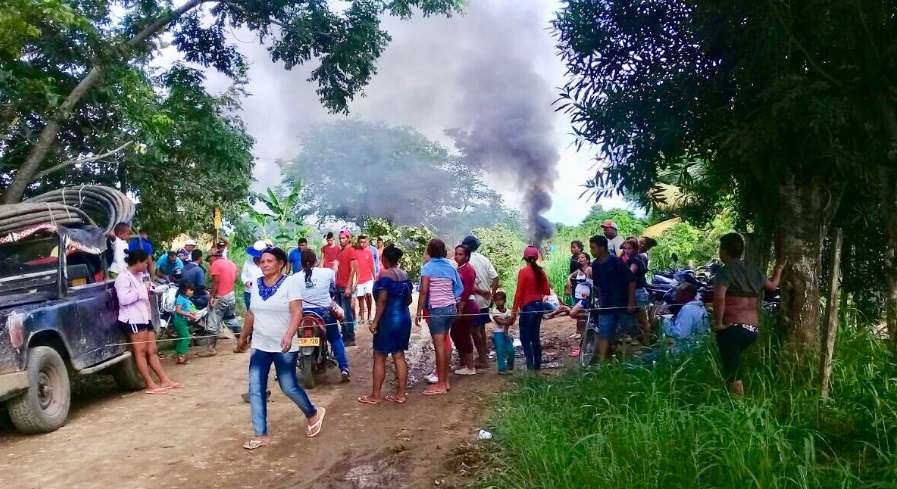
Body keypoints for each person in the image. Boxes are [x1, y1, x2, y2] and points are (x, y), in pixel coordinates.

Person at [235, 247, 326, 449]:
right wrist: (243, 337)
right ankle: (261, 435)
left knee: (288, 386)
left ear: (280, 264)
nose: (265, 264)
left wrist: (288, 335)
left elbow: (297, 312)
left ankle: (313, 413)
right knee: (256, 388)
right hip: (260, 345)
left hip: (284, 345)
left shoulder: (290, 283)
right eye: (262, 261)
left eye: (269, 261)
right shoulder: (257, 285)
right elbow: (251, 313)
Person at [713, 232, 785, 396]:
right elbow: (773, 286)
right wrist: (779, 268)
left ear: (724, 251)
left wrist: (718, 323)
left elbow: (719, 297)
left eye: (720, 248)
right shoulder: (753, 270)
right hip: (752, 329)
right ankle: (732, 402)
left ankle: (738, 411)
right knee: (733, 366)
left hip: (732, 328)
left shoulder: (725, 271)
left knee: (734, 375)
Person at [114, 249, 180, 394]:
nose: (147, 266)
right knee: (141, 351)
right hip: (133, 318)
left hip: (145, 316)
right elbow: (124, 299)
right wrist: (142, 290)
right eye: (145, 263)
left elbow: (147, 289)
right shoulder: (123, 278)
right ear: (137, 262)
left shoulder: (141, 275)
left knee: (152, 350)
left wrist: (152, 290)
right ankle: (149, 383)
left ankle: (164, 379)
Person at [358, 246, 413, 405]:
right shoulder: (404, 274)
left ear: (385, 259)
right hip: (404, 317)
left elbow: (382, 301)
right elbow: (409, 300)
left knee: (379, 356)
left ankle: (375, 396)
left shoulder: (384, 275)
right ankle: (401, 394)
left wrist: (375, 322)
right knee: (399, 355)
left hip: (389, 319)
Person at [416, 239, 462, 396]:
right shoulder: (451, 266)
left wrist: (418, 311)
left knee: (439, 347)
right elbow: (459, 288)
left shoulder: (427, 268)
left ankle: (441, 384)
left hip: (437, 310)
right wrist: (451, 299)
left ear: (429, 251)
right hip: (451, 309)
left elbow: (423, 291)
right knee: (445, 342)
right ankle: (445, 380)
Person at [298, 249, 350, 381]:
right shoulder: (327, 272)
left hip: (303, 314)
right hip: (324, 313)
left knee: (293, 341)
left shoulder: (294, 278)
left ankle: (281, 371)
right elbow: (334, 283)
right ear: (316, 261)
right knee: (335, 339)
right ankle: (344, 369)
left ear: (301, 263)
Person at [589, 235, 636, 362]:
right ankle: (602, 363)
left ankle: (630, 361)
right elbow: (597, 286)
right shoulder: (595, 265)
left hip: (622, 304)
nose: (591, 251)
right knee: (604, 334)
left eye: (593, 248)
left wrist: (631, 302)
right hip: (606, 306)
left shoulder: (615, 261)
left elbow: (631, 280)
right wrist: (595, 302)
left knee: (628, 334)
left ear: (602, 248)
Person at [461, 235, 499, 370]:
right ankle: (483, 354)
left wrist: (479, 291)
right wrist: (492, 294)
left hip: (473, 300)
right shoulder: (484, 259)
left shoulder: (467, 261)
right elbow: (495, 278)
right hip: (484, 300)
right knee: (481, 328)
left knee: (474, 330)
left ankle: (482, 358)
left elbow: (467, 284)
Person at [511, 246, 551, 371]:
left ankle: (530, 366)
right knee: (535, 337)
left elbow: (519, 293)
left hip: (528, 308)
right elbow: (547, 291)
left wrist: (513, 312)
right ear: (537, 257)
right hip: (539, 306)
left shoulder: (523, 272)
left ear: (525, 258)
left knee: (525, 338)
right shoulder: (541, 272)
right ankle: (537, 366)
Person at [206, 251, 240, 354]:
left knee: (213, 320)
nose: (209, 262)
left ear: (214, 257)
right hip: (231, 294)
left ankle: (211, 348)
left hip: (220, 295)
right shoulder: (231, 263)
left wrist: (212, 296)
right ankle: (242, 342)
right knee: (231, 319)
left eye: (209, 259)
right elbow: (236, 279)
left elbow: (216, 281)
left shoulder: (216, 264)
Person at [452, 244, 478, 375]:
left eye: (460, 254)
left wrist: (460, 309)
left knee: (463, 335)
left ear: (467, 256)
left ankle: (470, 366)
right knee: (456, 334)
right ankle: (464, 363)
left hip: (467, 306)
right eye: (456, 253)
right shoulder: (460, 268)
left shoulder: (467, 269)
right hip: (462, 305)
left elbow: (466, 291)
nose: (457, 256)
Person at [622, 237, 652, 343]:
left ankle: (648, 341)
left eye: (629, 248)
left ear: (635, 249)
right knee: (640, 319)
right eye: (625, 249)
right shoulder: (635, 259)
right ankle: (644, 340)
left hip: (638, 292)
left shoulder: (635, 260)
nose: (627, 251)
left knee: (643, 319)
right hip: (637, 291)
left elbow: (630, 274)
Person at [334, 230, 358, 346]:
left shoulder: (351, 251)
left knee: (347, 312)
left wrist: (349, 286)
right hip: (338, 286)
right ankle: (344, 335)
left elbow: (353, 270)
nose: (341, 240)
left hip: (345, 287)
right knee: (340, 313)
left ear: (348, 239)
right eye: (340, 238)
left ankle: (350, 337)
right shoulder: (340, 251)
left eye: (343, 238)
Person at [173, 283, 199, 365]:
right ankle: (182, 356)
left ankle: (179, 356)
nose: (192, 292)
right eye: (190, 290)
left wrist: (191, 313)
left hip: (183, 321)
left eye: (193, 290)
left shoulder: (186, 299)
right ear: (184, 290)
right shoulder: (180, 298)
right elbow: (178, 310)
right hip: (179, 321)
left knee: (181, 338)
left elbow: (186, 309)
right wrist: (189, 315)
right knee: (186, 337)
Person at [491, 291, 515, 375]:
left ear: (504, 300)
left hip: (507, 333)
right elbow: (499, 321)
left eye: (500, 299)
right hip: (498, 333)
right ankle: (501, 369)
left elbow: (510, 322)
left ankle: (510, 366)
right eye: (496, 300)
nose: (498, 302)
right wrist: (508, 321)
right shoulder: (494, 311)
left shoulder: (508, 311)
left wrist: (508, 323)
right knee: (500, 350)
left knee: (511, 350)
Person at [354, 235, 376, 326]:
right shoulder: (355, 252)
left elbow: (372, 266)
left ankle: (370, 315)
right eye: (361, 242)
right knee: (360, 298)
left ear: (367, 242)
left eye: (364, 242)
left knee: (369, 294)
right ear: (358, 242)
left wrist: (375, 278)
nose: (362, 244)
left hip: (368, 278)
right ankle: (362, 316)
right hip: (359, 279)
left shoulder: (369, 252)